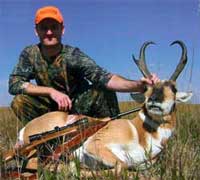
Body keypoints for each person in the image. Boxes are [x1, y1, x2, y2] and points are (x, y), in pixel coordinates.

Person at [9, 6, 159, 124]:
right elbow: (14, 84)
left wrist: (138, 85)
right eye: (44, 28)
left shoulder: (73, 55)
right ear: (36, 31)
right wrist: (50, 91)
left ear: (62, 29)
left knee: (103, 90)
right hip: (50, 110)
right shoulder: (30, 53)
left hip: (77, 107)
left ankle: (111, 134)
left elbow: (105, 78)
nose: (49, 32)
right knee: (19, 102)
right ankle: (44, 144)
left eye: (54, 27)